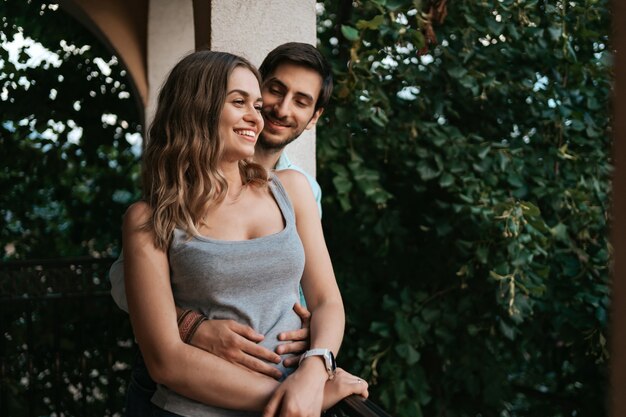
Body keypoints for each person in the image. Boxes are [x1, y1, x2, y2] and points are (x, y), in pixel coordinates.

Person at [121, 50, 367, 416]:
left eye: (256, 103)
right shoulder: (149, 217)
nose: (261, 115)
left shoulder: (294, 189)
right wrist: (296, 400)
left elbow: (327, 301)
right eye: (241, 102)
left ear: (315, 116)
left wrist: (315, 369)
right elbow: (166, 360)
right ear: (198, 107)